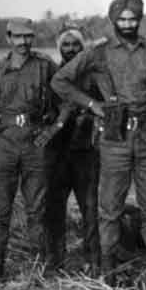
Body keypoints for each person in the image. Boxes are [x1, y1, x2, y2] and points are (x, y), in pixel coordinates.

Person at [50, 0, 146, 285]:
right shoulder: (98, 52)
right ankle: (107, 271)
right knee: (110, 209)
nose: (128, 25)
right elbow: (60, 81)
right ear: (113, 20)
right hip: (114, 140)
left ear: (140, 20)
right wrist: (92, 105)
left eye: (133, 19)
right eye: (122, 19)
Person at [0, 18, 58, 279]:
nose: (24, 43)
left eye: (28, 37)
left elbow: (65, 98)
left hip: (35, 146)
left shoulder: (45, 67)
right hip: (3, 146)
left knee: (37, 213)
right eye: (18, 37)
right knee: (0, 215)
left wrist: (51, 130)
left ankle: (40, 274)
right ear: (9, 38)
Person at [44, 26, 101, 273]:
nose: (70, 49)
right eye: (65, 45)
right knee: (54, 207)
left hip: (86, 150)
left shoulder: (93, 76)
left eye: (75, 44)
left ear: (82, 46)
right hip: (56, 151)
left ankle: (94, 260)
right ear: (59, 48)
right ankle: (55, 260)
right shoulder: (51, 74)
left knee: (90, 206)